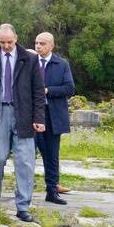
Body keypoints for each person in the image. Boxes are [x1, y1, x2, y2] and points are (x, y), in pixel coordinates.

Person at [0, 23, 45, 223]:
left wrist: (39, 118)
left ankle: (23, 207)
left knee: (24, 162)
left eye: (9, 42)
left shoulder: (30, 59)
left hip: (24, 114)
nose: (6, 46)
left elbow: (39, 92)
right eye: (2, 42)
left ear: (16, 38)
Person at [33, 32, 75, 205]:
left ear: (51, 46)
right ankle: (24, 190)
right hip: (32, 115)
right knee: (26, 152)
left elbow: (69, 88)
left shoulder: (61, 64)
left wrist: (48, 91)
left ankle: (52, 191)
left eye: (42, 43)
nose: (38, 46)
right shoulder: (29, 62)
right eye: (36, 43)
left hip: (53, 115)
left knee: (52, 155)